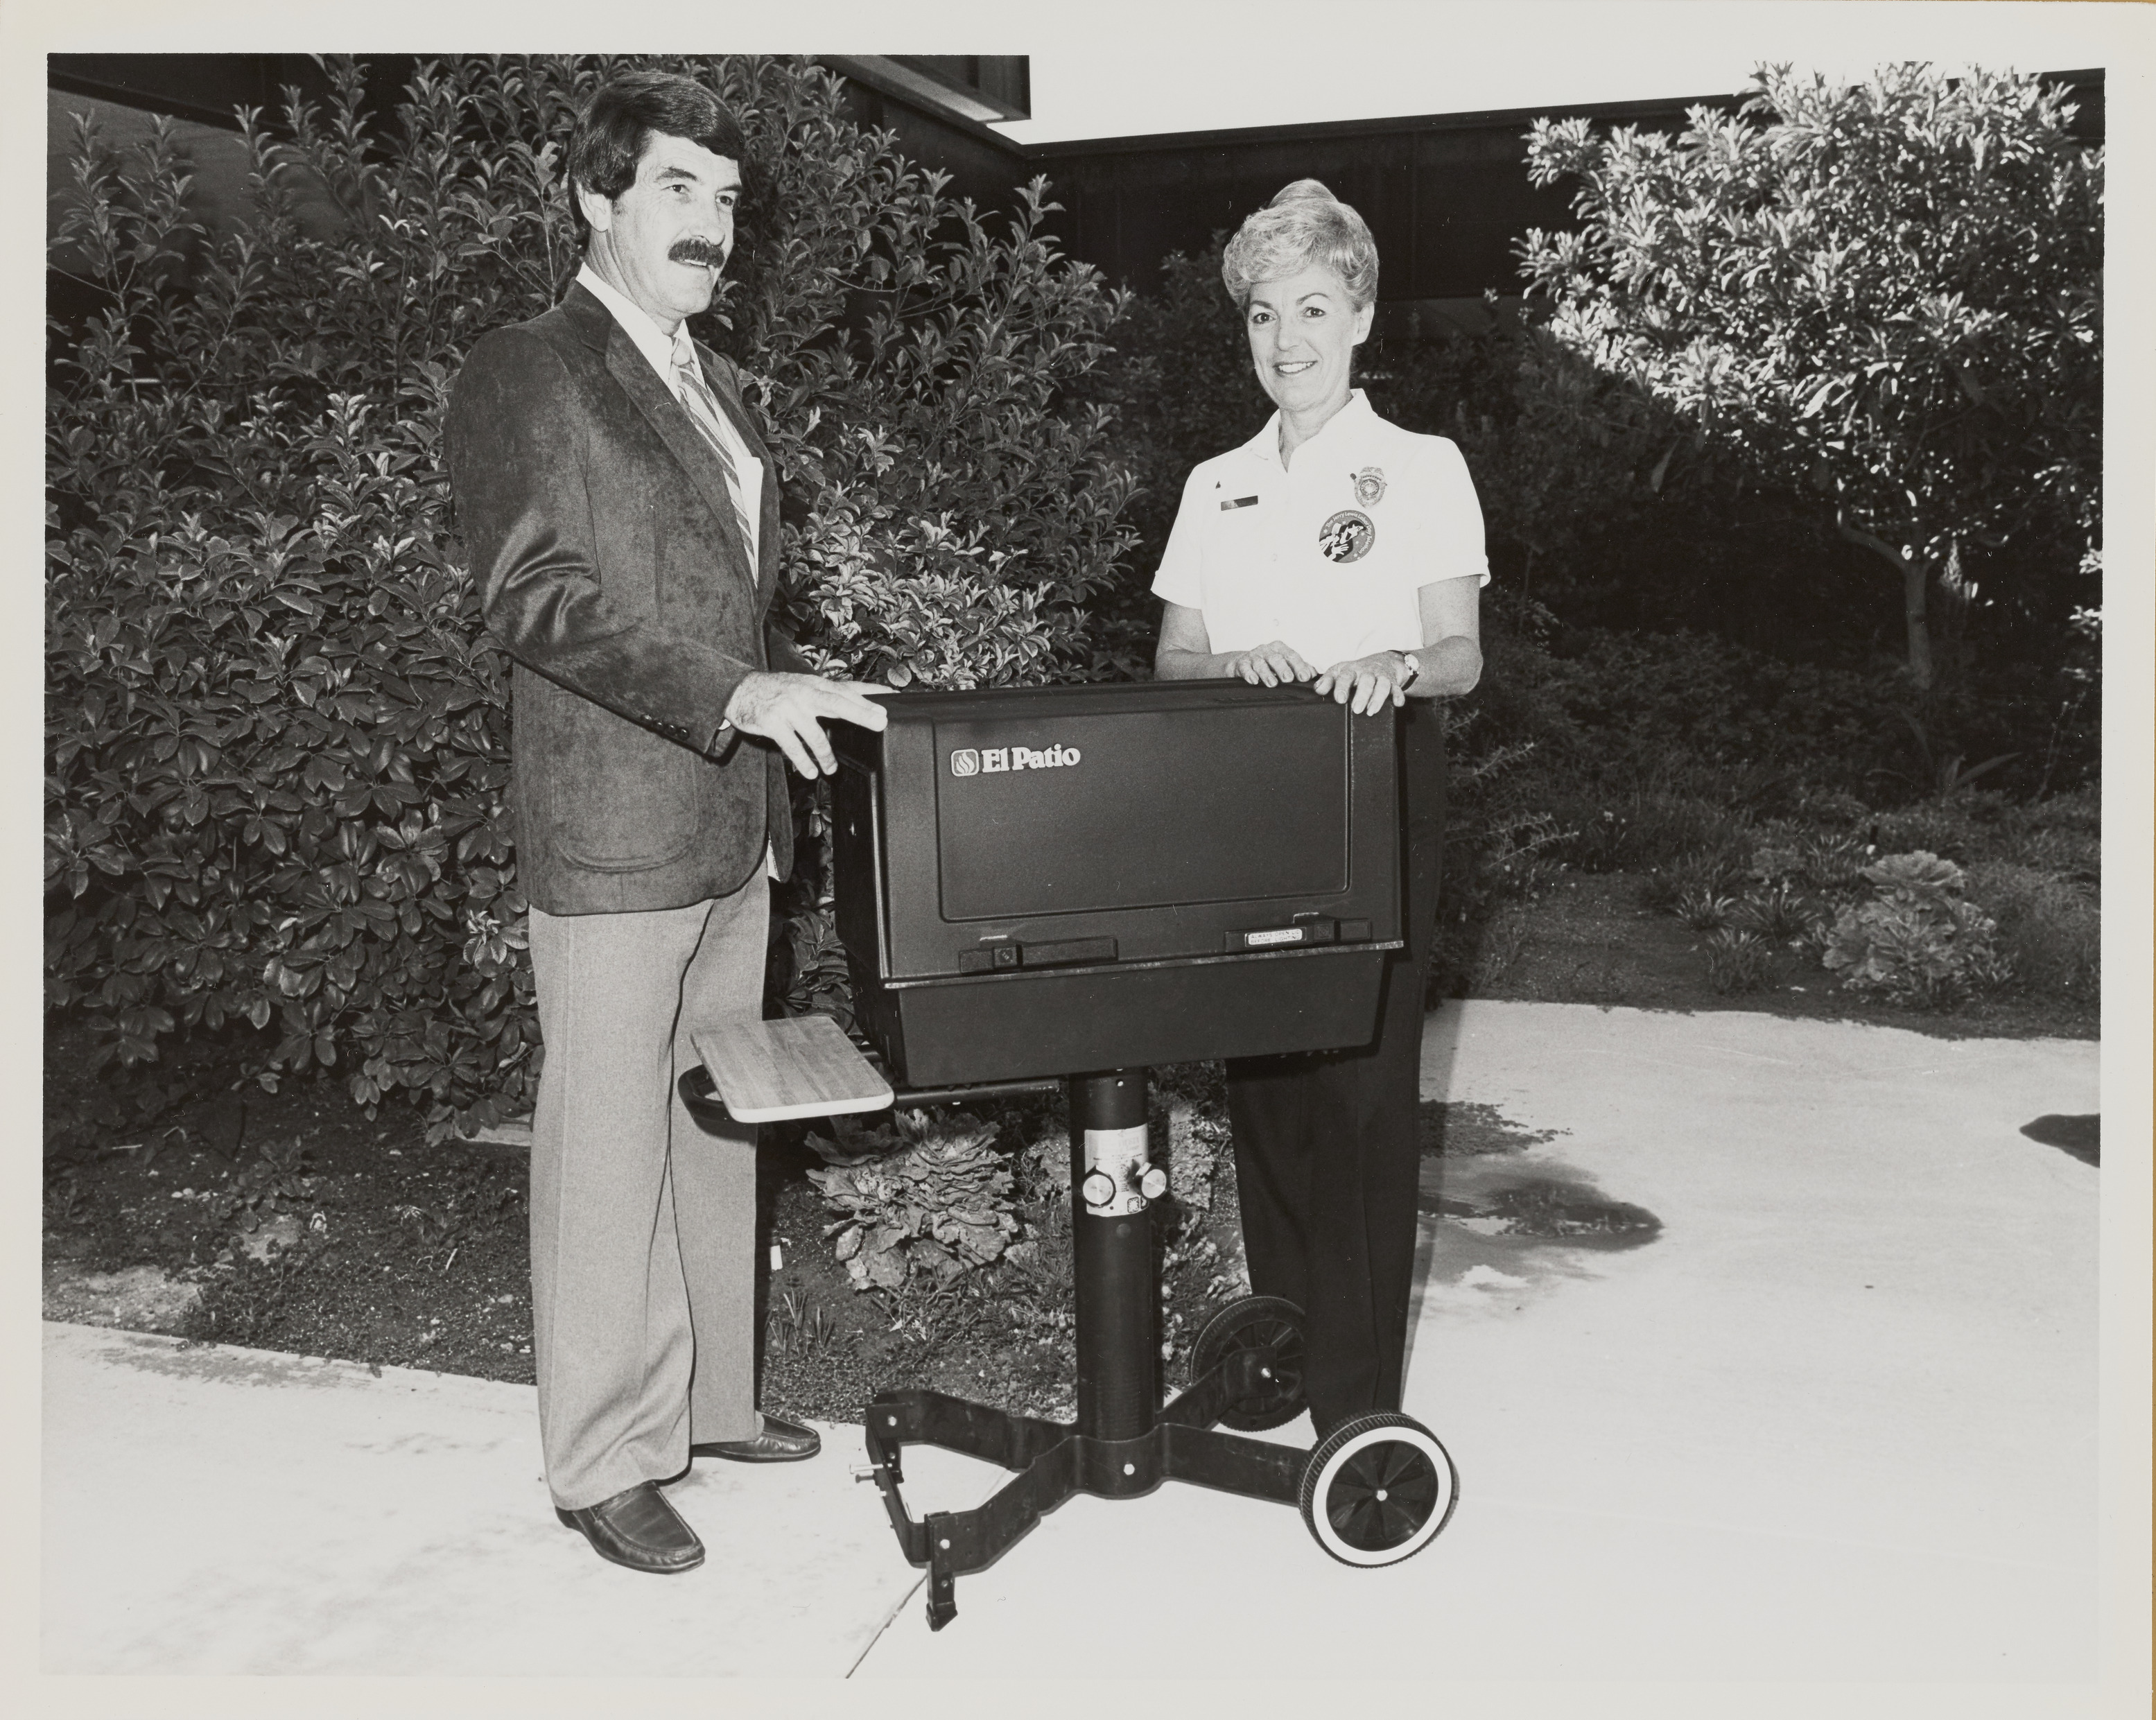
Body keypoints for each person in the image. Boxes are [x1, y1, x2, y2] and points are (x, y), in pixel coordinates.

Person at [445, 70, 889, 1575]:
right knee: (607, 1140)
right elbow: (535, 599)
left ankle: (709, 1402)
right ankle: (602, 1456)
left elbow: (718, 591)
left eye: (726, 199)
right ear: (597, 197)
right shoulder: (532, 368)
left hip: (727, 819)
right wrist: (735, 690)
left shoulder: (713, 380)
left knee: (716, 1116)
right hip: (618, 819)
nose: (710, 225)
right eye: (677, 191)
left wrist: (776, 684)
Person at [1152, 179, 1486, 1439]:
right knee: (1268, 1092)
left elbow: (1459, 650)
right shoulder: (1214, 482)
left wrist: (1392, 662)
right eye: (1258, 314)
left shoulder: (1419, 468)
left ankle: (1357, 1406)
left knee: (1357, 1092)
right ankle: (1280, 1356)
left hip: (1371, 793)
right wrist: (1234, 663)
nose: (1282, 338)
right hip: (1243, 805)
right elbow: (1173, 659)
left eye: (1308, 308)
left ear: (1358, 317)